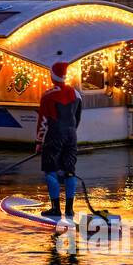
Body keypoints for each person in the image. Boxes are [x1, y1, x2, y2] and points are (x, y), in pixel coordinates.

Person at [37, 60, 82, 220]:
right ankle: (69, 210)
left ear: (52, 76)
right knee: (69, 170)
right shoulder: (75, 93)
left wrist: (39, 142)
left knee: (50, 170)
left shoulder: (47, 96)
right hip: (71, 135)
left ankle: (55, 208)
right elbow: (77, 116)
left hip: (55, 135)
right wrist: (71, 132)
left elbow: (43, 121)